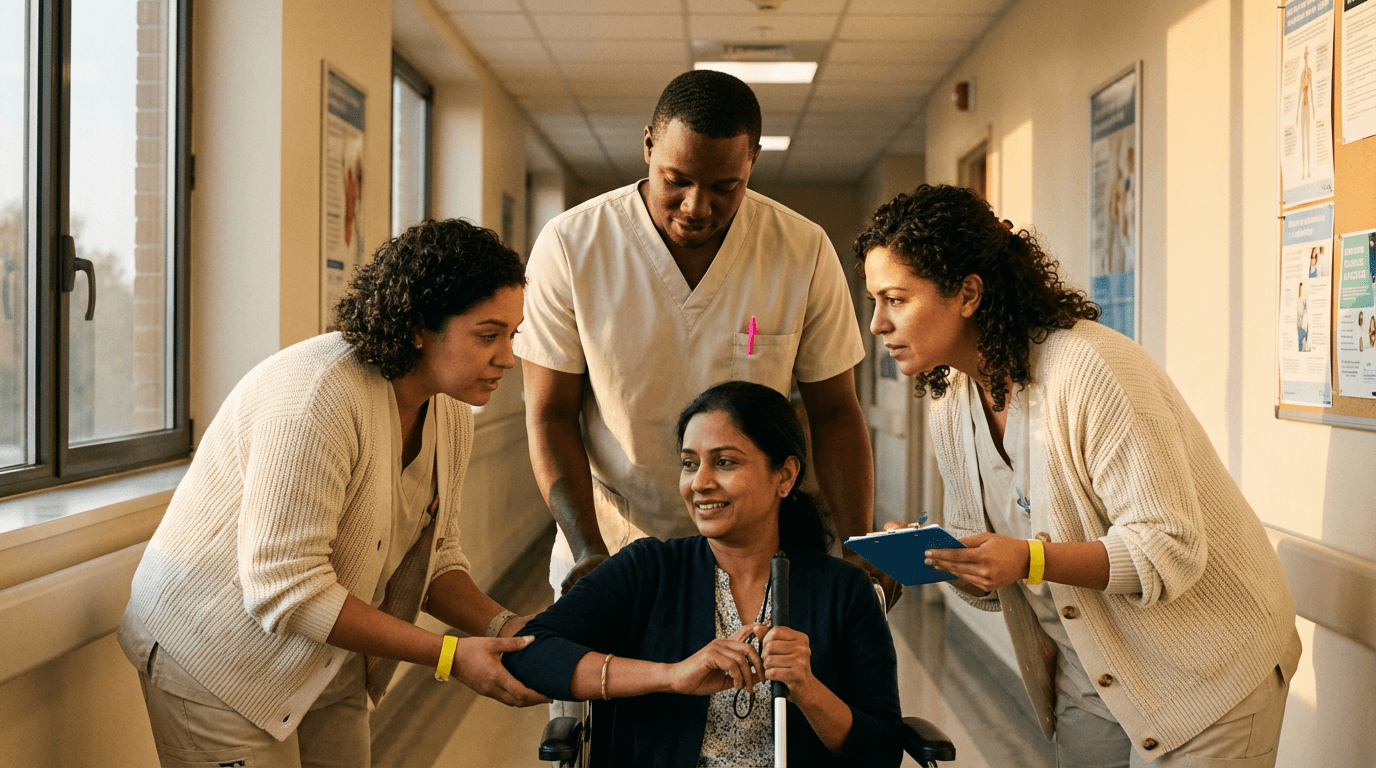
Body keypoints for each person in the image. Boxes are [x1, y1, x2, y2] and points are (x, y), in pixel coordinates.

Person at [857, 185, 1301, 768]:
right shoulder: (952, 399)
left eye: (895, 299)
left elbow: (1168, 548)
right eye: (874, 301)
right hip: (1095, 675)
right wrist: (935, 556)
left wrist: (1029, 559)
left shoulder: (1090, 371)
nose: (876, 324)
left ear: (967, 293)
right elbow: (997, 582)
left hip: (1210, 671)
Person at [118, 219, 548, 767]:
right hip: (215, 658)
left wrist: (505, 628)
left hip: (326, 656)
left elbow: (434, 557)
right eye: (488, 336)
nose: (508, 358)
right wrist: (449, 656)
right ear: (419, 326)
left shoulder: (449, 414)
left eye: (513, 335)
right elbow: (284, 585)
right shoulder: (318, 397)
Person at [515, 69, 887, 610]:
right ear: (648, 145)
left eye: (723, 187)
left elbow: (835, 412)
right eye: (677, 180)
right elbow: (549, 412)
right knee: (610, 693)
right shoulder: (574, 245)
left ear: (752, 161)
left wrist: (859, 542)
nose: (696, 206)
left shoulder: (801, 249)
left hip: (752, 556)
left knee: (747, 695)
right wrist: (587, 550)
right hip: (613, 546)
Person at [503, 381, 903, 767]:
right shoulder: (647, 571)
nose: (700, 483)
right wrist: (671, 676)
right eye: (690, 464)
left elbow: (883, 751)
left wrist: (808, 690)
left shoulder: (843, 590)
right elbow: (528, 652)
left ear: (784, 476)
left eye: (725, 462)